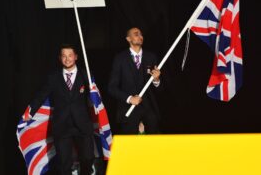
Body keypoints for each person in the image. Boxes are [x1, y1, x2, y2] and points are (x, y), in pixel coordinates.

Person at [25, 44, 94, 175]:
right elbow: (41, 95)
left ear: (76, 57)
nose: (67, 59)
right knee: (63, 164)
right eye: (64, 56)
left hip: (82, 125)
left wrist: (96, 96)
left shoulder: (86, 74)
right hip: (62, 126)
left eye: (70, 55)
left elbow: (95, 93)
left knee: (87, 159)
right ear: (60, 58)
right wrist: (30, 110)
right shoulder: (53, 77)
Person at [108, 27, 162, 134]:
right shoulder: (120, 58)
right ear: (128, 39)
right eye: (136, 34)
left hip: (149, 110)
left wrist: (156, 80)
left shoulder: (151, 57)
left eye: (141, 34)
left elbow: (159, 88)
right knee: (131, 147)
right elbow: (112, 88)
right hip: (128, 110)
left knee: (152, 146)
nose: (140, 36)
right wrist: (129, 99)